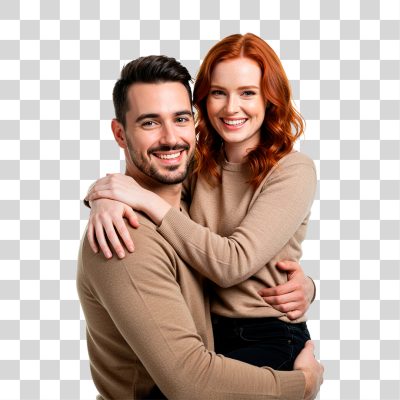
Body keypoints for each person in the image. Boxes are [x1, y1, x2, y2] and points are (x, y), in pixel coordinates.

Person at [78, 54, 323, 399]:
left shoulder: (185, 202)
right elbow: (191, 382)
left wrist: (307, 287)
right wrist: (304, 384)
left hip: (267, 335)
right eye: (149, 123)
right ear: (120, 133)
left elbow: (232, 259)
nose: (170, 138)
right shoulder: (124, 235)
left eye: (180, 118)